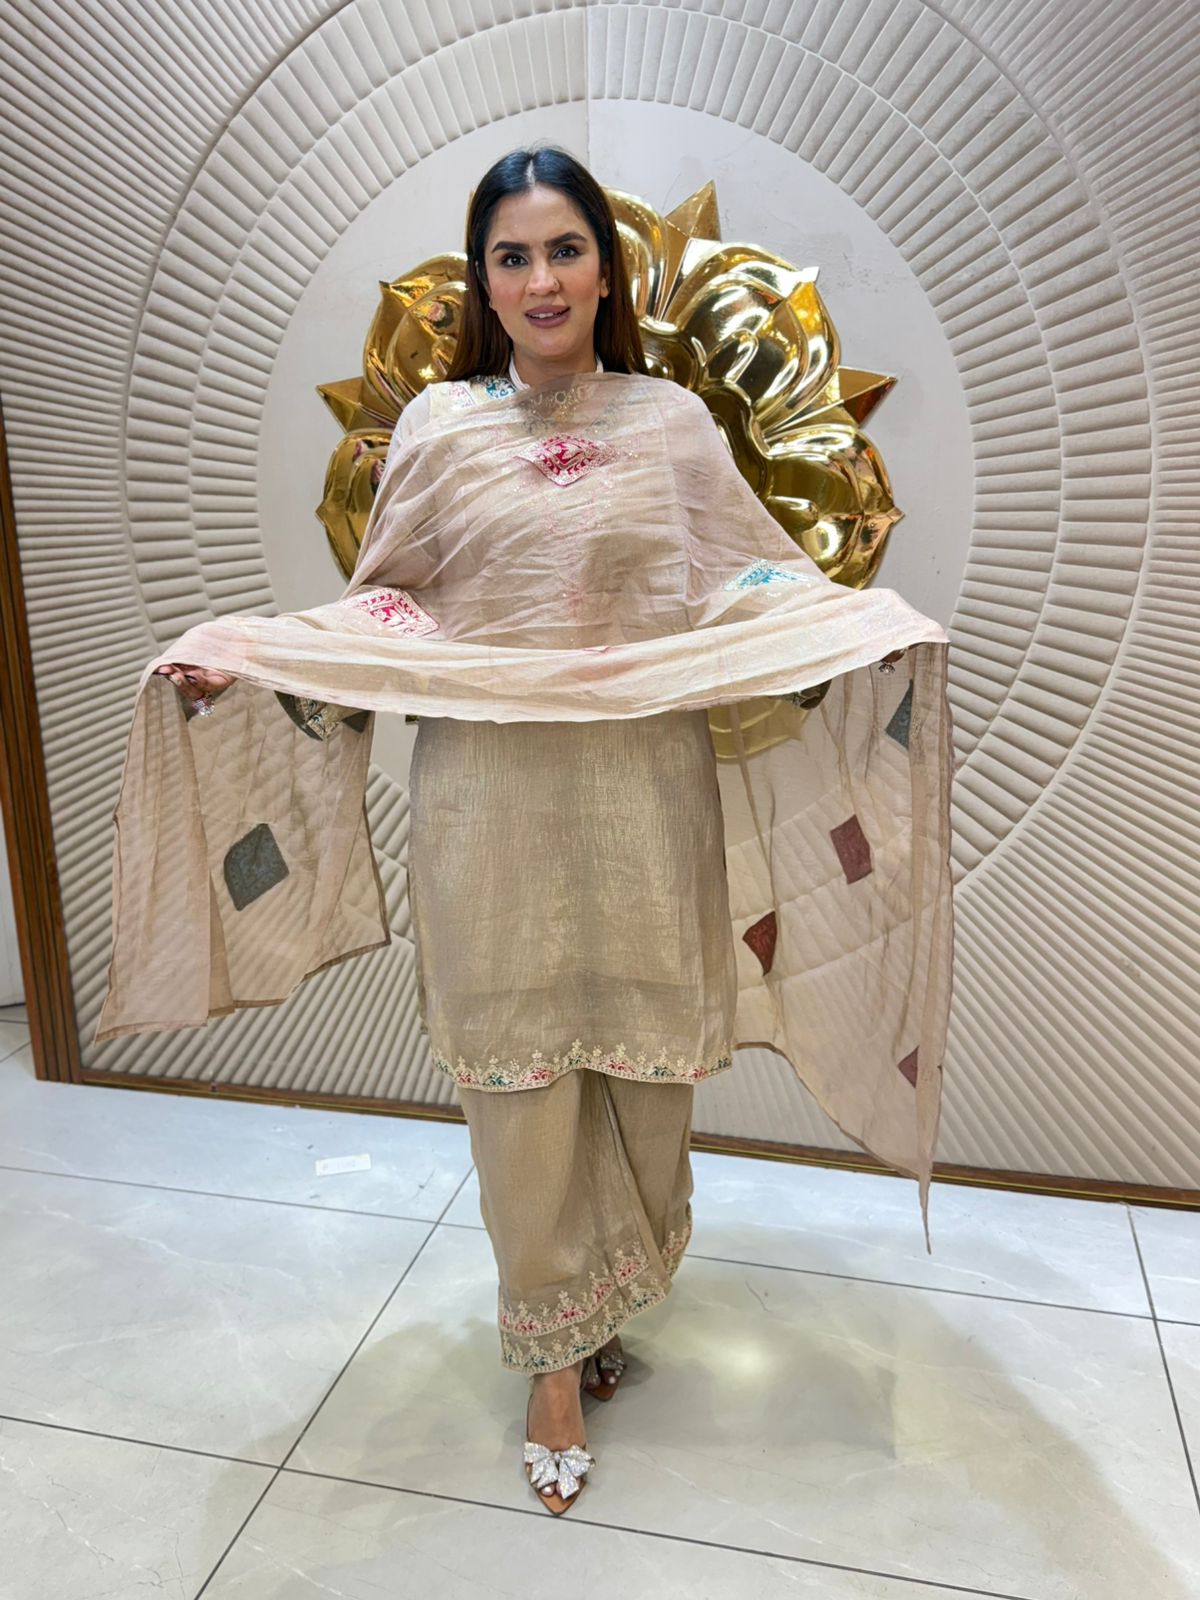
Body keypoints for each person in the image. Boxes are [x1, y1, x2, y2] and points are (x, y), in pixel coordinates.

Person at [117, 145, 953, 1517]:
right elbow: (393, 606)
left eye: (565, 250)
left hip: (644, 794)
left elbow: (746, 579)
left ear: (605, 271)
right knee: (517, 1083)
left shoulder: (671, 422)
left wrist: (858, 622)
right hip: (490, 805)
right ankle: (551, 1359)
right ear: (485, 282)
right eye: (512, 256)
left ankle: (602, 1293)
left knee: (644, 1071)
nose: (542, 279)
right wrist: (260, 662)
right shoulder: (442, 426)